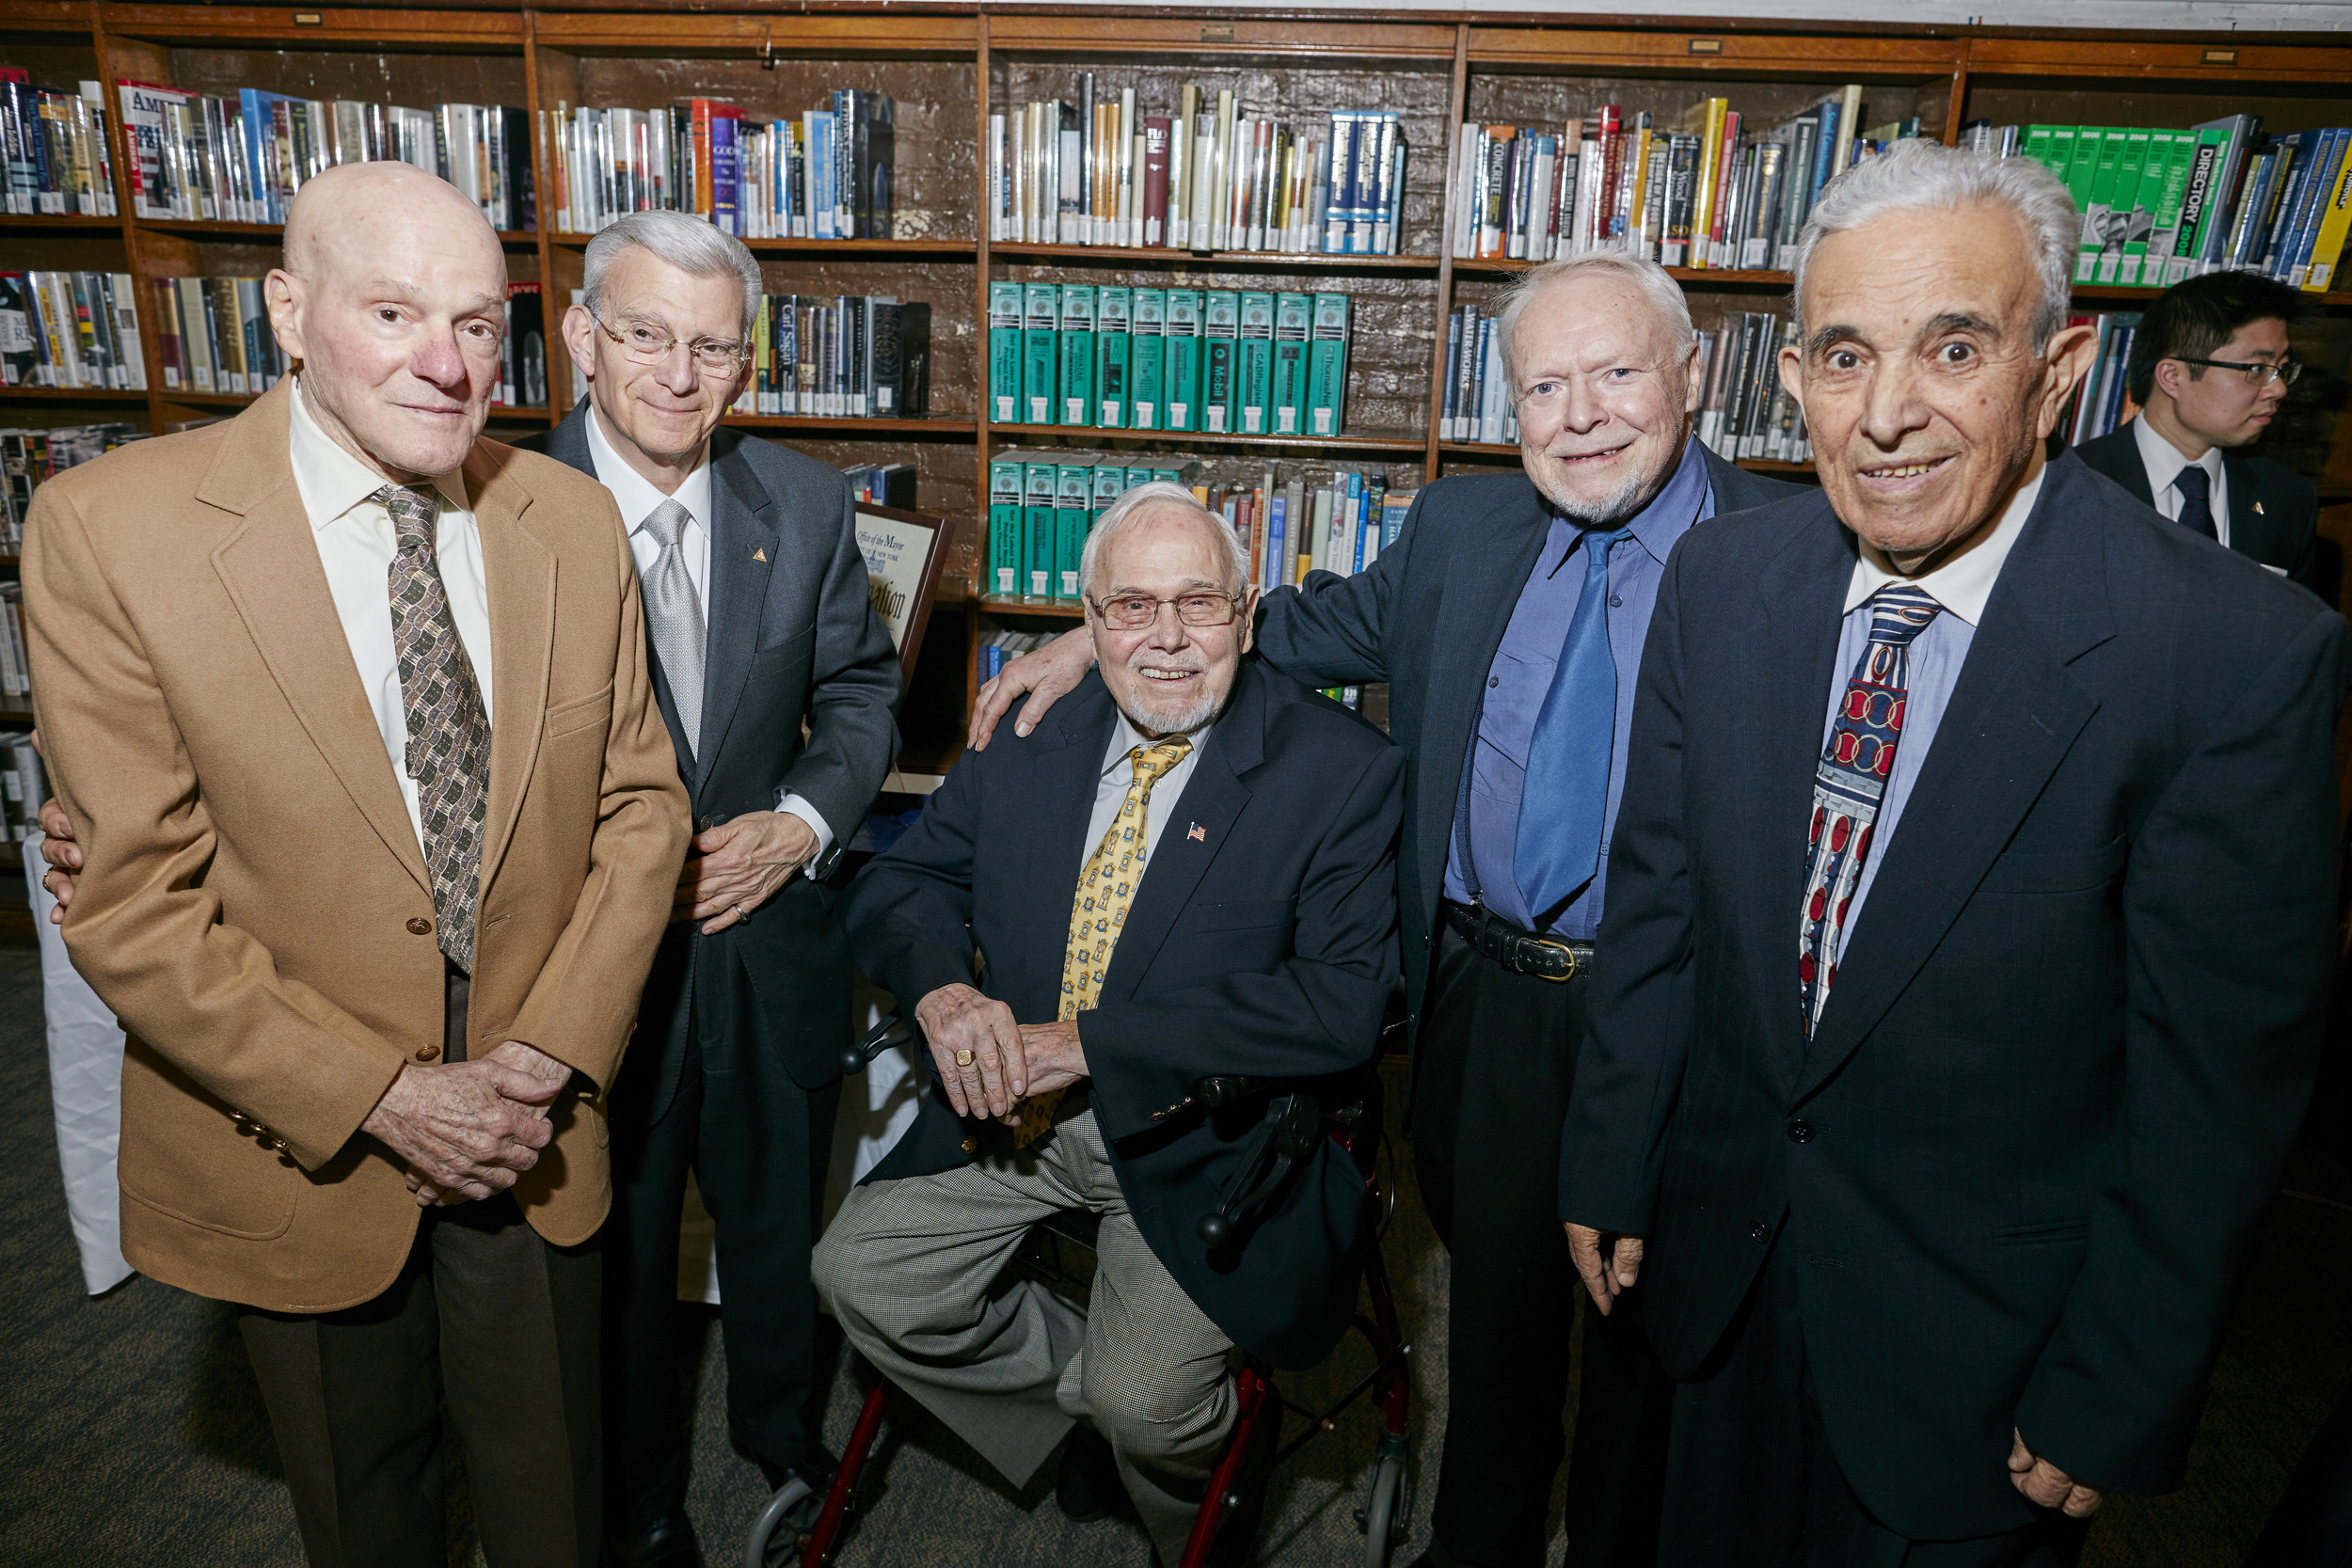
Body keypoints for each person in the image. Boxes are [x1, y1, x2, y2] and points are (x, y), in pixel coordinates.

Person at [1558, 138, 2348, 1566]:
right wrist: (1611, 1159)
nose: (1891, 417)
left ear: (2058, 371)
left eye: (1956, 349)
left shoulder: (2234, 655)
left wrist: (2121, 1375)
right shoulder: (1721, 584)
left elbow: (2215, 1086)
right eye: (1847, 357)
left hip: (1979, 1360)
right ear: (1791, 378)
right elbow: (1659, 904)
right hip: (1707, 1283)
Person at [971, 251, 1803, 1568]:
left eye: (1617, 372)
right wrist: (1096, 637)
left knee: (1651, 1330)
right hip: (1484, 998)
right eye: (1545, 383)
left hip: (1687, 1010)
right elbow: (1277, 628)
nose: (1580, 413)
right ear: (1509, 405)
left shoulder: (1794, 556)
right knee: (1500, 1311)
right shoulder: (1461, 532)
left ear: (1695, 376)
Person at [22, 162, 691, 1567]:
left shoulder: (568, 521)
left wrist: (551, 1055)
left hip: (531, 1114)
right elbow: (131, 899)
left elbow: (644, 807)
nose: (446, 367)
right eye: (394, 312)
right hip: (294, 1122)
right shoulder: (112, 531)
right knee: (363, 1511)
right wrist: (380, 1092)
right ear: (286, 310)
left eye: (476, 321)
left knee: (556, 1506)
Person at [813, 483, 1404, 1566]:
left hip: (1205, 1139)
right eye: (1131, 606)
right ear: (1086, 623)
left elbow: (1339, 1005)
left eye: (1199, 603)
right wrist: (944, 990)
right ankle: (1075, 1399)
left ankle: (1174, 1495)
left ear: (1249, 611)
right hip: (1017, 1115)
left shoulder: (1341, 772)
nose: (1167, 639)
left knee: (1149, 1404)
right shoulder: (1032, 728)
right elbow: (903, 886)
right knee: (862, 1277)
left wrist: (1082, 1042)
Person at [516, 210, 901, 1568]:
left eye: (713, 346)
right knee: (613, 1250)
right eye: (645, 335)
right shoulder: (496, 508)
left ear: (746, 365)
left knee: (780, 1209)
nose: (679, 374)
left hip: (767, 942)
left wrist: (800, 820)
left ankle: (785, 1434)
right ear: (580, 338)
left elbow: (860, 690)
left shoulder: (802, 500)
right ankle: (641, 1496)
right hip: (593, 965)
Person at [2074, 268, 2320, 595]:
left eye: (2283, 370)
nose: (2278, 390)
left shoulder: (2288, 500)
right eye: (2258, 369)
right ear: (2173, 377)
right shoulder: (2071, 484)